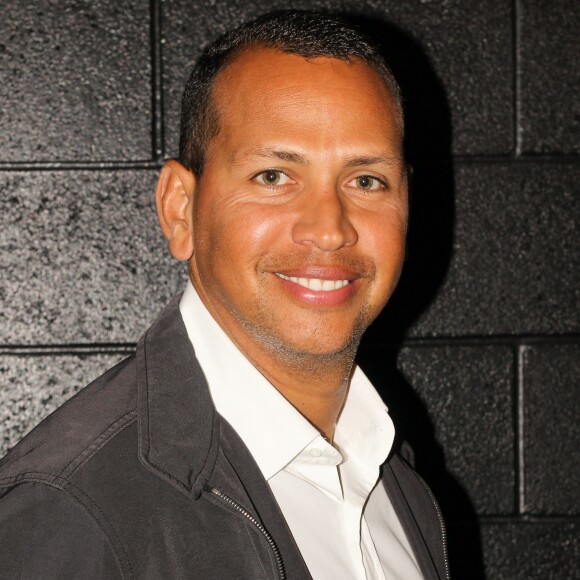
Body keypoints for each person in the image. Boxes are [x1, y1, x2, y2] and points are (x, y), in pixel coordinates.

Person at [0, 10, 448, 580]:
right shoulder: (71, 512)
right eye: (273, 176)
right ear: (180, 210)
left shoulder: (392, 473)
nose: (330, 228)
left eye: (366, 180)